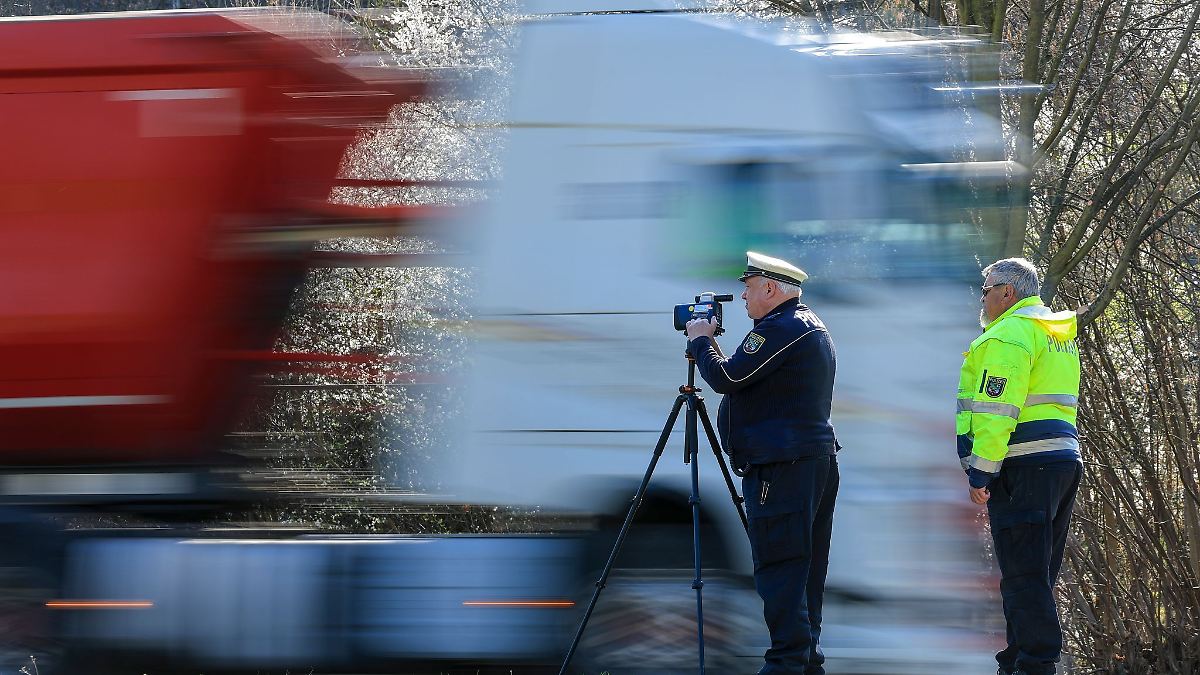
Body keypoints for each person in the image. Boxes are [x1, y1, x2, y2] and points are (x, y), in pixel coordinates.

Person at [685, 251, 839, 675]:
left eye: (749, 286)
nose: (743, 295)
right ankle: (806, 661)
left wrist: (701, 340)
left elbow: (727, 378)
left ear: (771, 289)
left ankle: (786, 663)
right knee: (805, 568)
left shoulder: (783, 327)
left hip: (783, 466)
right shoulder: (802, 324)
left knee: (781, 568)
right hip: (804, 462)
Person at [957, 257, 1083, 675]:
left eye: (987, 288)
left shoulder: (1010, 335)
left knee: (1023, 571)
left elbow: (997, 411)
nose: (984, 296)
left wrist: (981, 471)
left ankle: (1035, 663)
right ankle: (1018, 657)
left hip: (1024, 465)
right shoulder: (1054, 333)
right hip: (1062, 461)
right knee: (1038, 570)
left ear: (1007, 292)